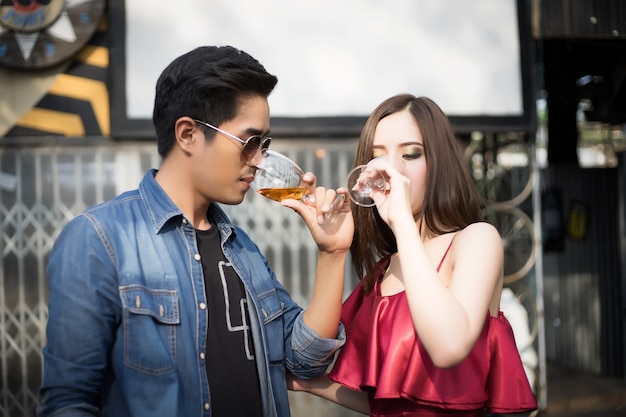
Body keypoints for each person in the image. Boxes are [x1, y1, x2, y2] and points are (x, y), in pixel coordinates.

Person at [37, 45, 353, 417]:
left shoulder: (240, 247)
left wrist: (333, 254)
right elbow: (69, 403)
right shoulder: (100, 239)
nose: (259, 161)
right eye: (250, 143)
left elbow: (303, 364)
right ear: (187, 134)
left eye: (264, 145)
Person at [287, 94, 539, 416]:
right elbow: (389, 398)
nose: (390, 170)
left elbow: (449, 347)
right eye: (376, 158)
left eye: (410, 154)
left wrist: (402, 220)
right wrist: (310, 383)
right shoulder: (385, 270)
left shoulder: (476, 240)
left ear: (440, 163)